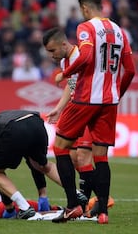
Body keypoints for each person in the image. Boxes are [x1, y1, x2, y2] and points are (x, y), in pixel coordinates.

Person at [50, 0, 135, 224]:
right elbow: (131, 70)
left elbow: (86, 55)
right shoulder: (119, 31)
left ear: (85, 8)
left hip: (87, 98)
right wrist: (117, 94)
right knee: (101, 157)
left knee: (60, 147)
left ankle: (72, 206)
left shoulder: (85, 27)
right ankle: (103, 212)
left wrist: (64, 74)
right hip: (109, 102)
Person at [0, 110, 64, 219]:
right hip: (36, 122)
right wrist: (43, 195)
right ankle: (76, 196)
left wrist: (9, 208)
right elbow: (33, 165)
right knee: (42, 165)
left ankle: (25, 208)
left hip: (14, 129)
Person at [43, 27, 96, 205]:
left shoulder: (82, 56)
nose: (51, 55)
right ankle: (93, 198)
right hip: (76, 109)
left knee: (82, 155)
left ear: (64, 44)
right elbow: (71, 85)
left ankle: (90, 202)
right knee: (73, 158)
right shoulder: (65, 62)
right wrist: (59, 108)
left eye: (52, 50)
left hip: (89, 109)